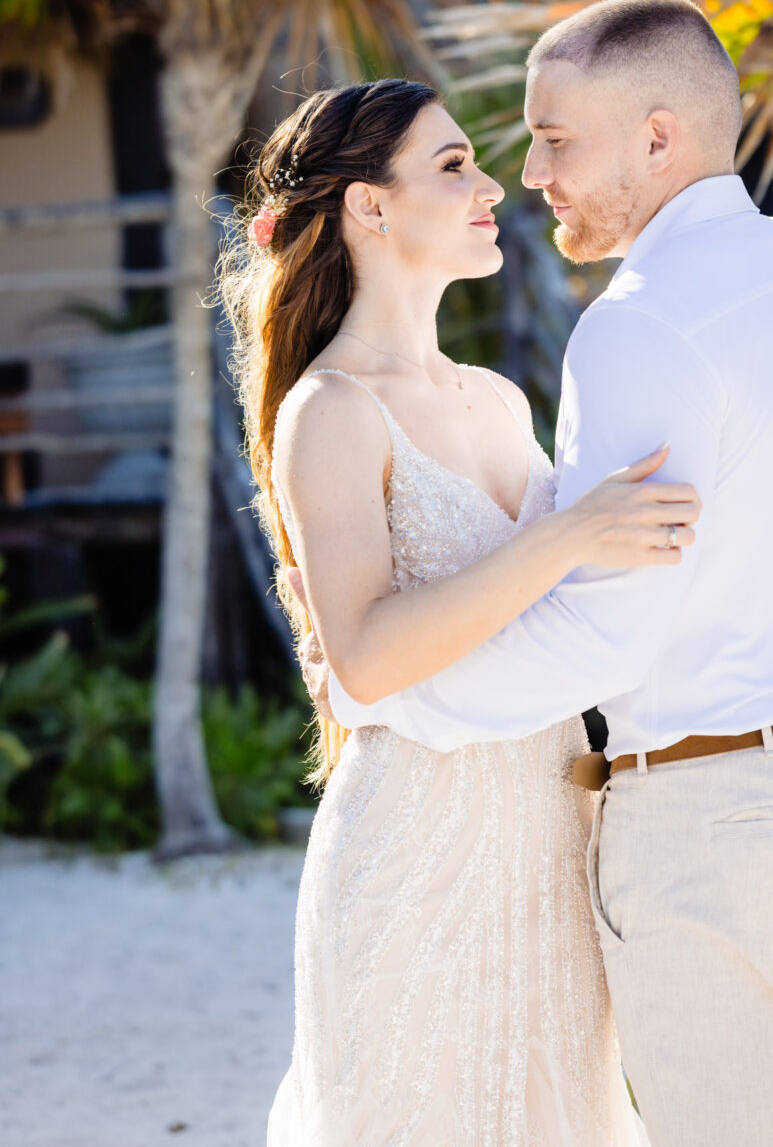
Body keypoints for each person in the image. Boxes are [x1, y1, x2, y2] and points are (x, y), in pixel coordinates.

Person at [309, 0, 773, 1147]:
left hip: (730, 831)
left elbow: (607, 629)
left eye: (556, 139)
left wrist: (394, 692)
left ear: (657, 137)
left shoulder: (642, 323)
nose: (530, 175)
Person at [216, 76, 702, 1145]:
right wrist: (569, 532)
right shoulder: (329, 412)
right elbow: (370, 653)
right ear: (368, 208)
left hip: (551, 843)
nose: (492, 185)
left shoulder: (496, 397)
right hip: (411, 854)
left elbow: (572, 614)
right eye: (452, 166)